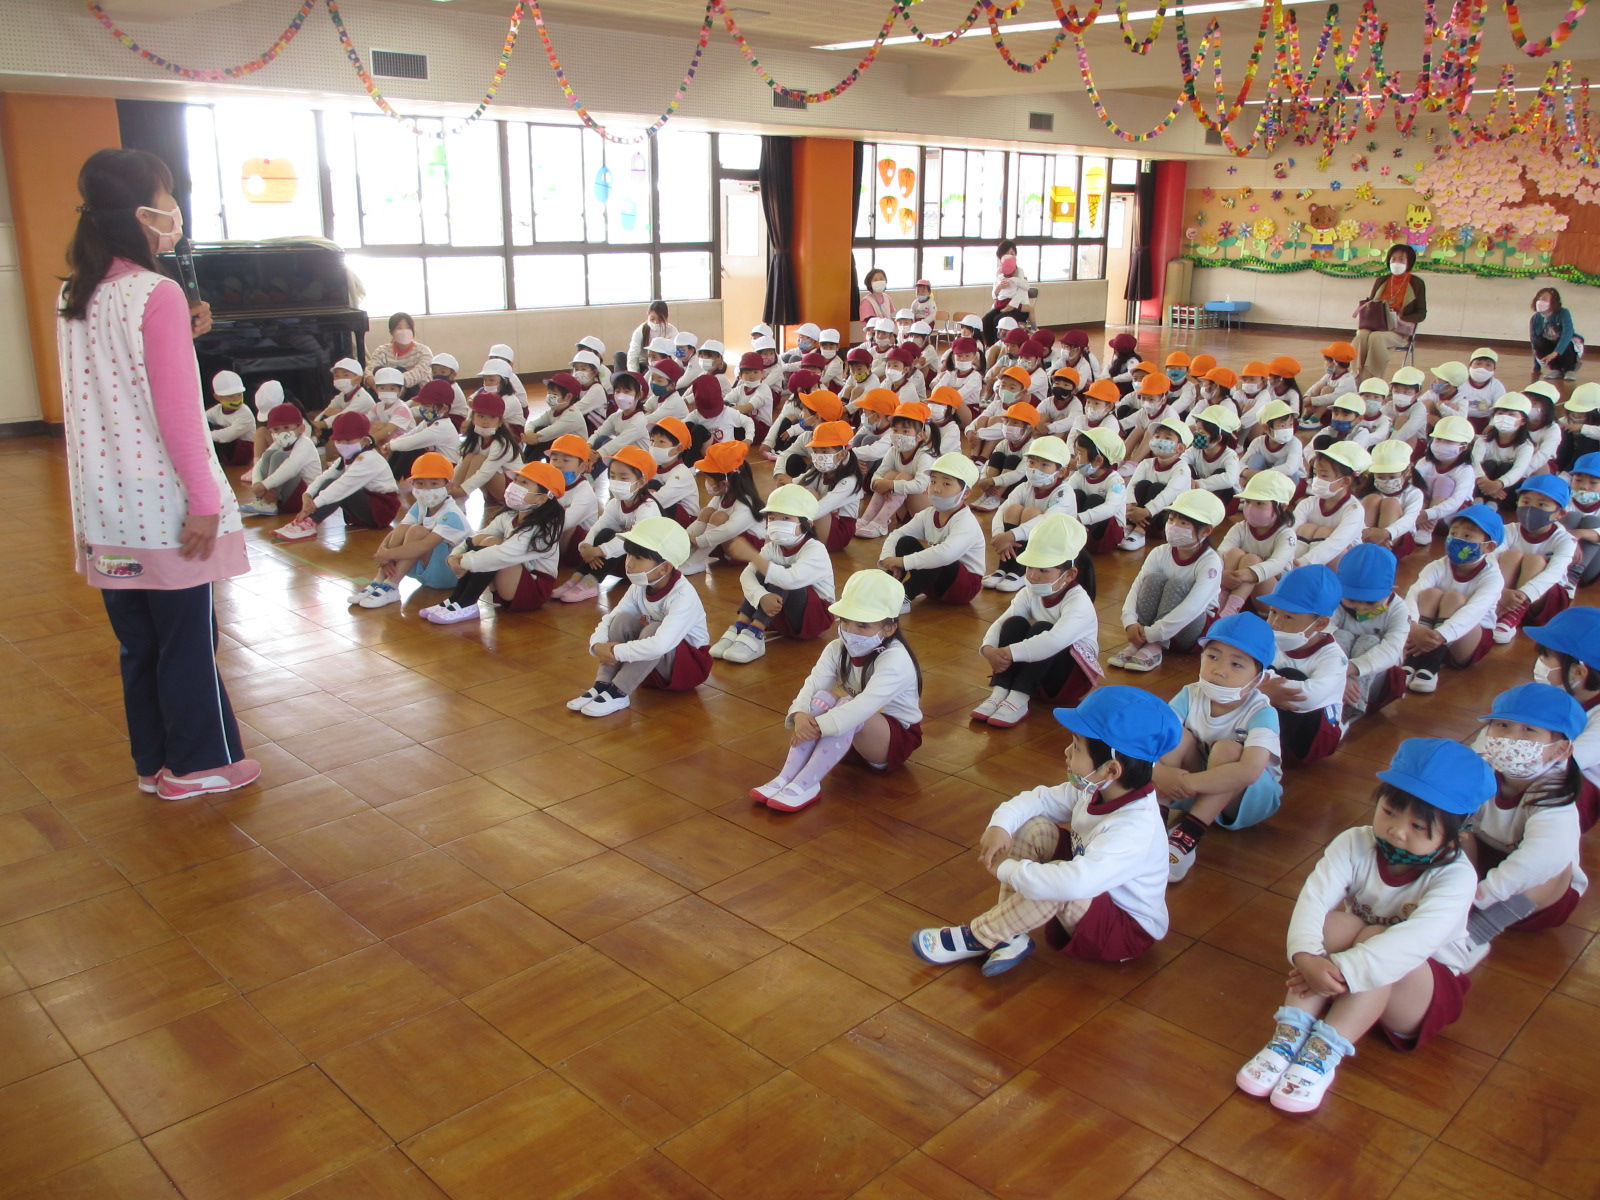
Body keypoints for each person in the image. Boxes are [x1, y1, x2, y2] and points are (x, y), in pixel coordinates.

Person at [57, 146, 256, 800]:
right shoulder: (157, 291)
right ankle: (200, 765)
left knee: (138, 646)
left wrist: (182, 333)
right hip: (163, 508)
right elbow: (174, 413)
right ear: (142, 214)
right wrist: (203, 501)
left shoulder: (75, 292)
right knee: (189, 643)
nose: (174, 215)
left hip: (105, 511)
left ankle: (154, 765)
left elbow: (115, 384)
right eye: (167, 203)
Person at [1236, 738, 1488, 1113]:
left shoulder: (1456, 877)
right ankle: (1288, 1036)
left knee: (1377, 936)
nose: (1397, 831)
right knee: (1335, 925)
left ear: (1456, 836)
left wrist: (1338, 970)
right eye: (1389, 812)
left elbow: (1413, 943)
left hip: (1421, 991)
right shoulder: (1354, 842)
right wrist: (1305, 955)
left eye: (1419, 826)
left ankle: (1322, 1053)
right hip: (1352, 967)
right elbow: (1314, 898)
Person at [913, 686, 1180, 976]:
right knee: (1033, 828)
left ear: (1111, 770)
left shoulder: (1135, 827)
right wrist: (1001, 824)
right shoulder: (1095, 788)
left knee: (1061, 885)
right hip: (1094, 891)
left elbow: (1075, 885)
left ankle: (979, 935)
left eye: (1076, 746)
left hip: (1124, 930)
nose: (1067, 752)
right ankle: (1009, 935)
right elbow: (1040, 800)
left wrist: (1008, 869)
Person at [753, 570, 922, 811]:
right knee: (821, 698)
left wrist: (816, 727)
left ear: (889, 629)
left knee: (846, 706)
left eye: (863, 625)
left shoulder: (896, 660)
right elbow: (813, 685)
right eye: (844, 620)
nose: (850, 630)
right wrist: (800, 714)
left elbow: (863, 707)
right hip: (850, 735)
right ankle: (785, 777)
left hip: (892, 740)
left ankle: (806, 784)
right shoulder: (836, 648)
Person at [1156, 612, 1283, 882]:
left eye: (1237, 664)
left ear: (1259, 677)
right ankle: (1154, 822)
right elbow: (1154, 739)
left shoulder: (1262, 711)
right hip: (1192, 784)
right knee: (1174, 736)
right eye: (1212, 657)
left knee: (1227, 750)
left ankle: (1187, 837)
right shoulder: (1190, 694)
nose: (1219, 670)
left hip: (1246, 798)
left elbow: (1249, 772)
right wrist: (1158, 773)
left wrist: (1189, 783)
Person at [1461, 683, 1589, 942]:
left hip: (1531, 898)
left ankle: (1477, 931)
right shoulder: (1481, 768)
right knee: (1456, 836)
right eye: (1502, 725)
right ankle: (1452, 906)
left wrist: (1484, 894)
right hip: (1484, 865)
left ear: (1560, 749)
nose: (1510, 738)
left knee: (1555, 869)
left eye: (1528, 730)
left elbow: (1540, 859)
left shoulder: (1554, 795)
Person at [567, 516, 711, 716]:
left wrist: (616, 651)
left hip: (687, 669)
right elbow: (612, 618)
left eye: (639, 558)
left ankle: (619, 692)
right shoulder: (640, 586)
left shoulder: (683, 595)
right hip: (647, 664)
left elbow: (661, 644)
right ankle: (603, 684)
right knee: (622, 619)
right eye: (629, 556)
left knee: (653, 630)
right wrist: (597, 644)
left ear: (665, 567)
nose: (629, 564)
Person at [973, 513, 1099, 729]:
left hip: (1066, 682)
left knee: (1043, 629)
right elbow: (1003, 621)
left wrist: (1008, 653)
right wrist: (988, 649)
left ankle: (1019, 698)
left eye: (1043, 570)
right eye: (1030, 567)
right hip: (1037, 670)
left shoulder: (1079, 602)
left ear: (1069, 575)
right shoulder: (1030, 592)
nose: (1032, 576)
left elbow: (1054, 641)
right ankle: (1000, 691)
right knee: (1014, 623)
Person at [420, 461, 566, 624]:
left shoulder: (542, 528)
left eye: (524, 483)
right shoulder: (510, 516)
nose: (515, 485)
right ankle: (456, 599)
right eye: (516, 480)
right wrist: (454, 556)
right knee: (483, 539)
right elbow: (479, 536)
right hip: (513, 581)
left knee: (492, 546)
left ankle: (467, 603)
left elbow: (505, 554)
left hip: (533, 590)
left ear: (541, 498)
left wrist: (465, 561)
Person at [715, 484, 837, 664]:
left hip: (813, 618)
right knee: (761, 571)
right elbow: (746, 576)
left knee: (776, 571)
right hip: (779, 611)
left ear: (807, 523)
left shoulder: (815, 549)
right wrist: (761, 596)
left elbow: (790, 580)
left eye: (786, 518)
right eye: (772, 518)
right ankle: (740, 625)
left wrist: (752, 555)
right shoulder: (772, 547)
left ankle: (756, 631)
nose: (777, 523)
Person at [1109, 489, 1224, 672]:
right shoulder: (1160, 552)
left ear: (1206, 531)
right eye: (1171, 519)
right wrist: (1130, 621)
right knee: (1153, 579)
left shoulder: (1210, 562)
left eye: (1183, 522)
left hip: (1190, 631)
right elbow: (1137, 586)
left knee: (1177, 585)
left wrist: (1153, 634)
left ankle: (1155, 646)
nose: (1174, 526)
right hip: (1149, 630)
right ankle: (1140, 644)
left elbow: (1193, 607)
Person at [1403, 504, 1504, 693]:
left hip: (1468, 639)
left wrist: (1441, 635)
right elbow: (1414, 593)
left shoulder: (1492, 577)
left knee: (1455, 600)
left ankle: (1430, 667)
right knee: (1429, 593)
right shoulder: (1437, 565)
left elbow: (1472, 613)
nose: (1457, 539)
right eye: (1454, 533)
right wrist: (1414, 627)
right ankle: (1412, 662)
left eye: (1467, 536)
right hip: (1424, 635)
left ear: (1488, 547)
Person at [1258, 563, 1350, 766]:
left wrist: (1259, 688)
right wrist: (1262, 689)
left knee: (1291, 675)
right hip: (1274, 712)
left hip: (1312, 737)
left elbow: (1308, 698)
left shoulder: (1333, 657)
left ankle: (1265, 762)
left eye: (1288, 616)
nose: (1276, 623)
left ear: (1320, 624)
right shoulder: (1270, 639)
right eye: (1273, 612)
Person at [354, 452, 469, 609]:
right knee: (403, 530)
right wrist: (382, 552)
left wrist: (386, 555)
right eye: (420, 483)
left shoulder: (452, 514)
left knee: (417, 532)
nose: (426, 489)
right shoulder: (421, 505)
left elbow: (425, 546)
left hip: (450, 575)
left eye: (434, 484)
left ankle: (392, 586)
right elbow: (398, 530)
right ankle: (379, 581)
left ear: (448, 487)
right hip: (426, 570)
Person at [555, 445, 662, 603]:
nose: (616, 481)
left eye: (623, 477)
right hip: (622, 562)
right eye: (612, 476)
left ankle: (591, 582)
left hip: (646, 565)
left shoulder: (648, 507)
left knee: (618, 538)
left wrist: (599, 551)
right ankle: (578, 577)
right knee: (604, 532)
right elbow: (598, 526)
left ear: (641, 482)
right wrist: (586, 546)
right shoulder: (615, 503)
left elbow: (630, 540)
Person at [1524, 608, 1600, 829]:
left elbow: (1568, 761)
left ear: (1577, 672)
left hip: (1582, 785)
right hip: (1544, 766)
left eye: (1546, 655)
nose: (1539, 661)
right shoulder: (1559, 694)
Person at [879, 452, 986, 608]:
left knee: (938, 554)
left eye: (946, 484)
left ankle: (904, 596)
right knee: (905, 542)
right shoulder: (928, 514)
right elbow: (897, 534)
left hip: (962, 588)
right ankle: (887, 589)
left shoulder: (966, 522)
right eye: (933, 481)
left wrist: (903, 562)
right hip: (931, 582)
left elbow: (945, 554)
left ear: (966, 493)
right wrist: (888, 559)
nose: (936, 489)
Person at [273, 412, 400, 542]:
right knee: (329, 480)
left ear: (364, 440)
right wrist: (308, 494)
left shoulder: (368, 458)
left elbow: (343, 486)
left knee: (336, 486)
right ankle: (304, 520)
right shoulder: (348, 457)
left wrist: (313, 506)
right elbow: (326, 475)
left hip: (382, 510)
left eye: (348, 440)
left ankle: (310, 522)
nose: (343, 444)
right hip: (364, 506)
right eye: (339, 440)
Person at [1331, 543, 1410, 722]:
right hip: (1335, 673)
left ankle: (1348, 711)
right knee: (1339, 636)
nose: (1360, 607)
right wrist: (1338, 674)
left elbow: (1391, 650)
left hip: (1374, 679)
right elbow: (1323, 633)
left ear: (1392, 591)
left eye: (1371, 602)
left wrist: (1350, 670)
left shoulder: (1398, 610)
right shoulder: (1335, 601)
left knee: (1369, 641)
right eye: (1351, 599)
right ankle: (1329, 701)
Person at [1493, 474, 1577, 644]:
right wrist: (1500, 591)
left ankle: (1511, 616)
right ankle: (1494, 607)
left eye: (1541, 504)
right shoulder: (1508, 530)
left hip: (1543, 597)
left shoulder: (1565, 540)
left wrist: (1523, 595)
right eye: (1526, 502)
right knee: (1510, 555)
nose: (1531, 508)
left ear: (1559, 513)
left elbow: (1554, 573)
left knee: (1535, 561)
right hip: (1504, 593)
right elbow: (1490, 558)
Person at [1217, 470, 1298, 617]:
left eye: (1260, 503)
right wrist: (1223, 575)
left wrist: (1244, 574)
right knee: (1233, 553)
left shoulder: (1286, 534)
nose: (1251, 508)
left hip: (1270, 601)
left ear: (1283, 506)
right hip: (1240, 590)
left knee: (1251, 560)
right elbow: (1221, 553)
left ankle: (1227, 614)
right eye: (1248, 501)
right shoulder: (1241, 528)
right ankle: (1218, 604)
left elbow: (1277, 564)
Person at [682, 440, 762, 576]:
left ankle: (695, 562)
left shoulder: (746, 503)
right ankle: (683, 552)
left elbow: (729, 530)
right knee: (707, 511)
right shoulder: (723, 495)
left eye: (709, 478)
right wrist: (684, 537)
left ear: (724, 483)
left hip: (747, 548)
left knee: (719, 516)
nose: (706, 482)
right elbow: (706, 518)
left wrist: (698, 541)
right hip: (725, 542)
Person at [1352, 244, 1427, 382]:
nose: (1396, 262)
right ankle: (1356, 374)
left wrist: (1401, 318)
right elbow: (1372, 304)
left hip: (1399, 330)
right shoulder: (1382, 280)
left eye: (1401, 259)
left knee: (1376, 338)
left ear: (1409, 262)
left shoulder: (1417, 283)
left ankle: (1373, 379)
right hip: (1376, 325)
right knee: (1361, 335)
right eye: (1393, 259)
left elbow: (1421, 313)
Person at [240, 404, 319, 518]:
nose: (281, 433)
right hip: (289, 495)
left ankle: (270, 503)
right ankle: (267, 501)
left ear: (301, 428)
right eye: (276, 429)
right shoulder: (278, 444)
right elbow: (259, 464)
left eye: (286, 428)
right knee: (268, 455)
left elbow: (291, 469)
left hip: (307, 497)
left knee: (278, 456)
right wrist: (257, 484)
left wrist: (264, 485)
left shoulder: (305, 443)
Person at [1359, 439, 1424, 557]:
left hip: (1396, 537)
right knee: (1371, 499)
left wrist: (1386, 533)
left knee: (1390, 503)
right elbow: (1357, 516)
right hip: (1369, 536)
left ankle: (1383, 553)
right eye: (1380, 476)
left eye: (1392, 476)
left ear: (1407, 470)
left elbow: (1409, 519)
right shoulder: (1370, 492)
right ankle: (1362, 548)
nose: (1386, 480)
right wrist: (1366, 532)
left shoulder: (1414, 493)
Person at [365, 312, 433, 391]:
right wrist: (373, 382)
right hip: (385, 391)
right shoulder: (382, 351)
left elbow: (419, 373)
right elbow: (370, 370)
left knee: (399, 370)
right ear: (391, 332)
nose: (404, 332)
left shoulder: (423, 351)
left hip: (414, 394)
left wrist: (393, 383)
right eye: (399, 328)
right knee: (378, 370)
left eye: (408, 327)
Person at [1562, 451, 1600, 588]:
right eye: (1578, 480)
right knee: (1571, 517)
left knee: (1594, 522)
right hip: (1560, 555)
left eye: (1593, 482)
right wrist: (1571, 540)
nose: (1584, 486)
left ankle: (1572, 576)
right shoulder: (1563, 500)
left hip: (1589, 567)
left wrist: (1579, 534)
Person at [205, 371, 255, 467]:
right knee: (207, 425)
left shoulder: (245, 414)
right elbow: (201, 419)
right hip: (227, 448)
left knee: (215, 436)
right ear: (217, 397)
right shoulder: (217, 410)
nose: (236, 399)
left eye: (239, 394)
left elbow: (227, 436)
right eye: (230, 396)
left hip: (244, 450)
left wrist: (205, 435)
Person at [1530, 286, 1580, 381]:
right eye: (1539, 298)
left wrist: (1556, 352)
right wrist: (1536, 366)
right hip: (1549, 344)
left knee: (1566, 342)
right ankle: (1556, 369)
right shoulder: (1535, 318)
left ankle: (1569, 369)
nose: (1540, 301)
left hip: (1564, 345)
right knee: (1539, 342)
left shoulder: (1563, 313)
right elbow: (1533, 340)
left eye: (1544, 299)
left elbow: (1567, 333)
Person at [626, 300, 676, 373]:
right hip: (644, 363)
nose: (656, 322)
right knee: (619, 355)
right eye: (652, 319)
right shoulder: (640, 330)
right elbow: (633, 355)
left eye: (660, 319)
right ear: (648, 315)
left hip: (663, 365)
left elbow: (674, 357)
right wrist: (634, 376)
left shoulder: (672, 331)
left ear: (666, 317)